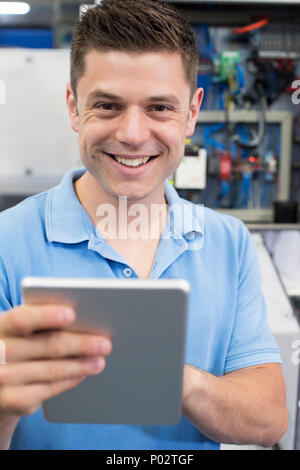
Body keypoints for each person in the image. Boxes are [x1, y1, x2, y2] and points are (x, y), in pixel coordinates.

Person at [0, 0, 288, 450]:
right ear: (74, 107)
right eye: (108, 106)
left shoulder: (227, 243)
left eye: (158, 108)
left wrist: (172, 376)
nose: (133, 133)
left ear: (191, 113)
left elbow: (268, 421)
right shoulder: (7, 243)